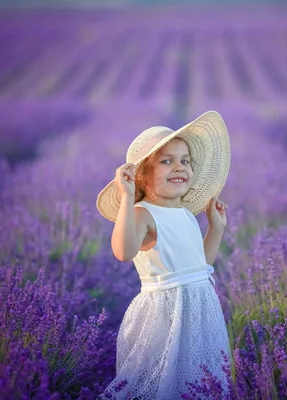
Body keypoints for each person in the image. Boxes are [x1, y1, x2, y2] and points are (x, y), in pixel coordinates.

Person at [95, 111, 232, 399]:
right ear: (141, 176)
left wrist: (215, 229)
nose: (179, 167)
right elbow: (123, 252)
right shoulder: (143, 213)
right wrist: (127, 198)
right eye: (166, 161)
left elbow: (199, 266)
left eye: (185, 161)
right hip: (165, 314)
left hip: (200, 310)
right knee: (160, 379)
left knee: (197, 377)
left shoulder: (184, 214)